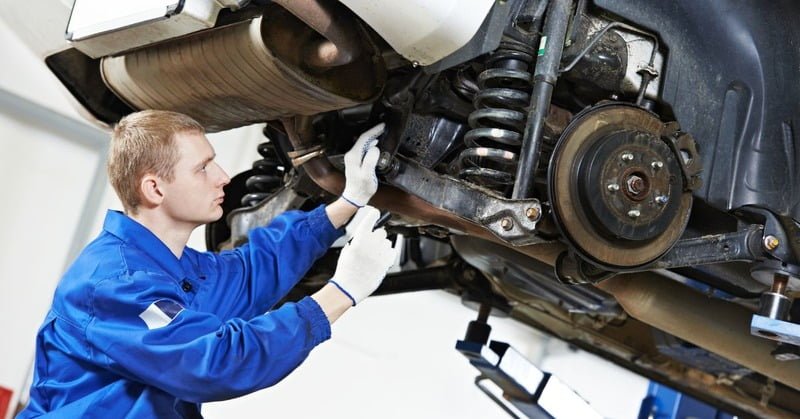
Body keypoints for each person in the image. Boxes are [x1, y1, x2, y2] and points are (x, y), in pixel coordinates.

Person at [17, 110, 396, 418]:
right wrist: (341, 292)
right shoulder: (114, 284)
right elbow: (215, 362)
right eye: (203, 167)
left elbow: (252, 273)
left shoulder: (174, 270)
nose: (223, 177)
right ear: (155, 189)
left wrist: (348, 201)